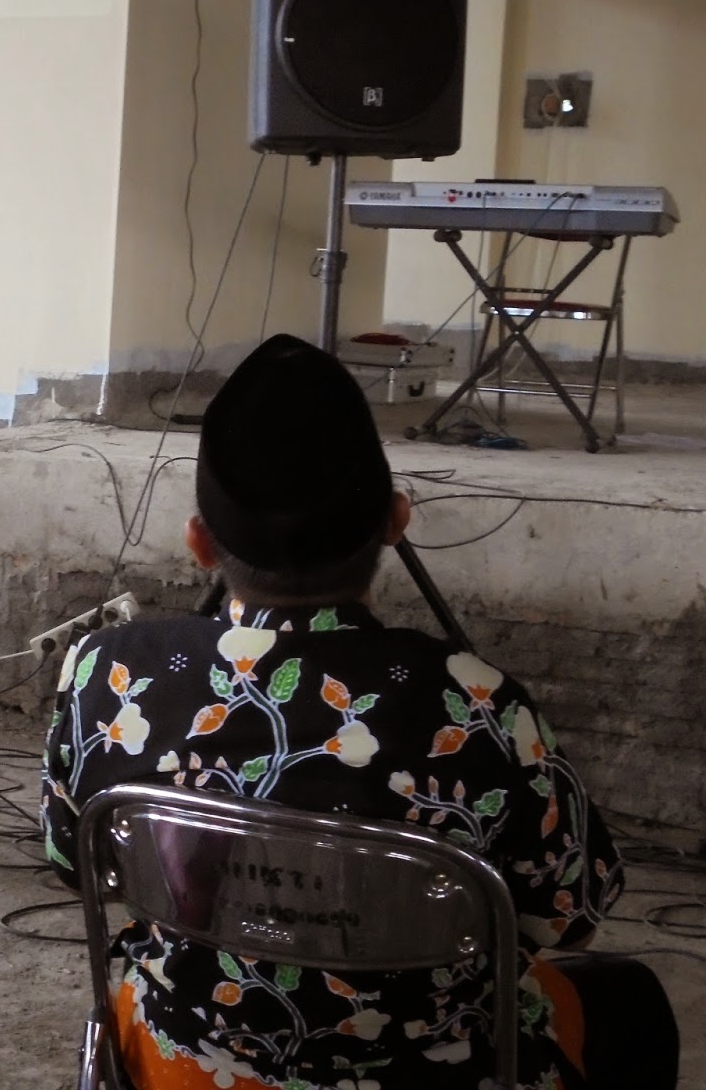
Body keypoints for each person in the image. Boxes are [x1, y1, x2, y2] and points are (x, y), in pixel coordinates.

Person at [42, 334, 677, 1090]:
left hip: (186, 1058)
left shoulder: (108, 672)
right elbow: (565, 916)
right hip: (429, 1070)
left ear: (199, 544)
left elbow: (69, 864)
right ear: (396, 519)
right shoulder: (477, 703)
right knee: (630, 999)